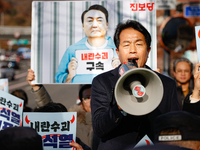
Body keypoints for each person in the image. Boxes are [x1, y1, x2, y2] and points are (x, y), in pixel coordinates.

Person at [91, 20, 180, 150]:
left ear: (148, 50)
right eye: (126, 45)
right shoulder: (102, 81)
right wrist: (119, 108)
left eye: (138, 44)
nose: (132, 50)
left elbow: (174, 128)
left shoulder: (166, 84)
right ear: (118, 51)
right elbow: (99, 128)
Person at [55, 4, 120, 83]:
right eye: (89, 21)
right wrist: (69, 76)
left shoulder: (118, 48)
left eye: (99, 20)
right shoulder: (72, 50)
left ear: (107, 25)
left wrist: (120, 70)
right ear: (83, 26)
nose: (95, 25)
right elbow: (58, 78)